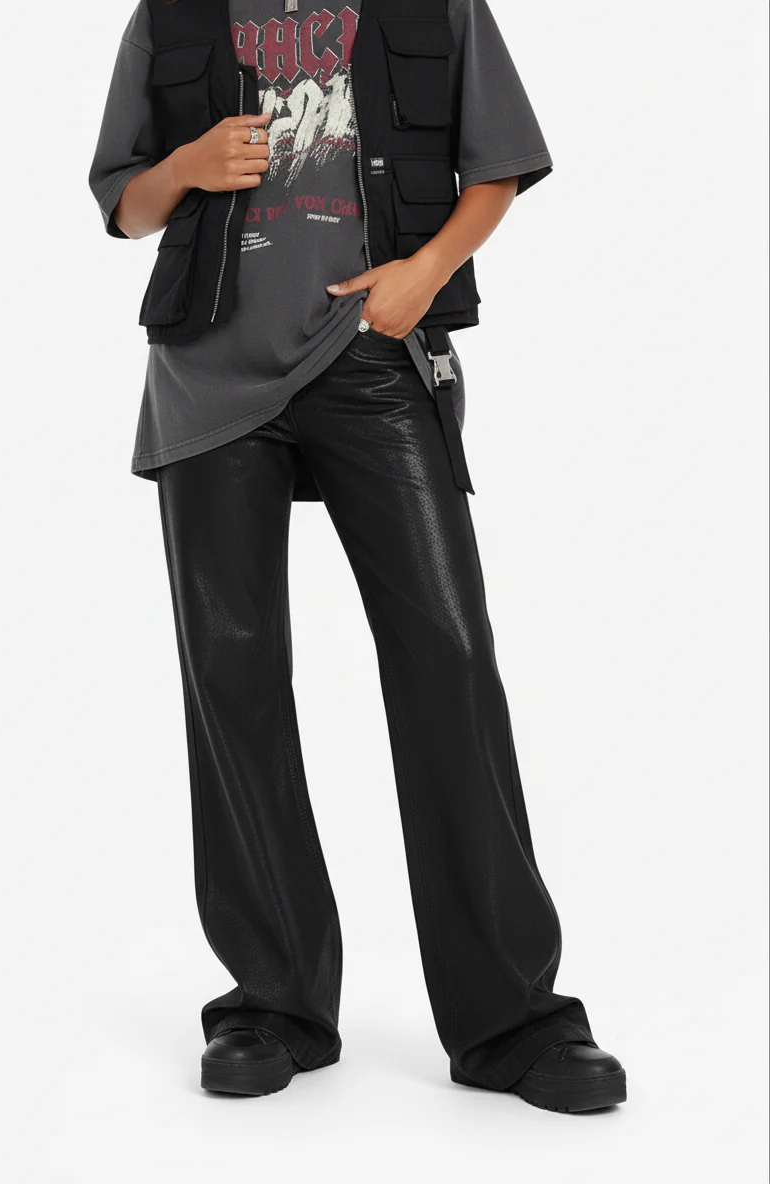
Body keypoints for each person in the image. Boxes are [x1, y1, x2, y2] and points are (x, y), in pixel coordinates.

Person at [89, 0, 626, 1111]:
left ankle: (511, 1020)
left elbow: (500, 165)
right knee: (231, 672)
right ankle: (275, 1000)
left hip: (373, 354)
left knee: (448, 654)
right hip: (207, 369)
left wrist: (425, 269)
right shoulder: (171, 11)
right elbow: (125, 202)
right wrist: (185, 165)